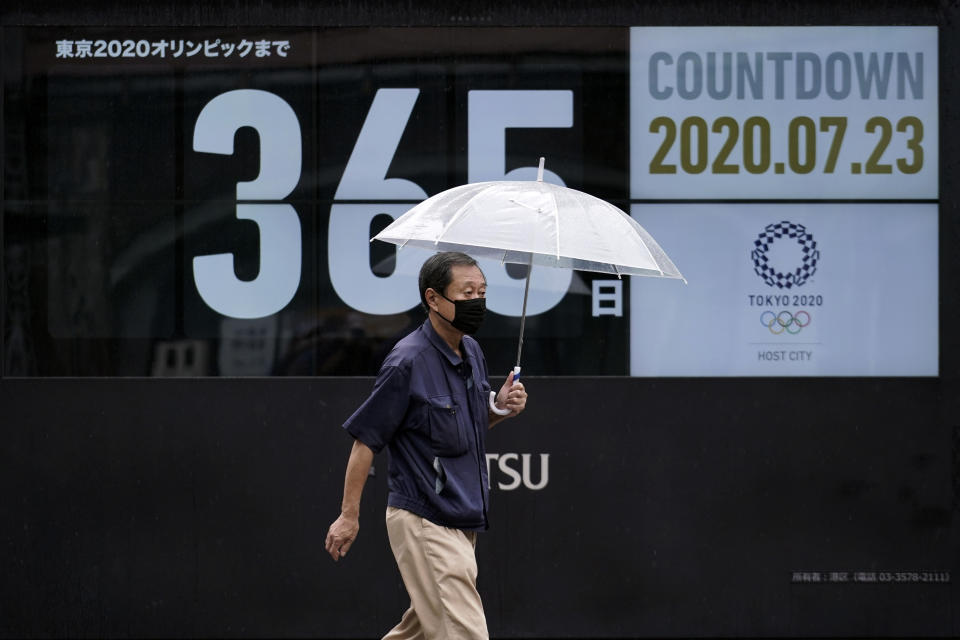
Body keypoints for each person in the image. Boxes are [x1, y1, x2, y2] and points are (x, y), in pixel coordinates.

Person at [325, 251, 527, 640]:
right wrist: (348, 516)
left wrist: (500, 408)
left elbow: (468, 425)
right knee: (465, 634)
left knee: (418, 632)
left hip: (462, 518)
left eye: (482, 292)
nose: (477, 301)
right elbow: (365, 441)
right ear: (433, 299)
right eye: (466, 292)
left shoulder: (471, 351)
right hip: (426, 520)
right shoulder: (406, 362)